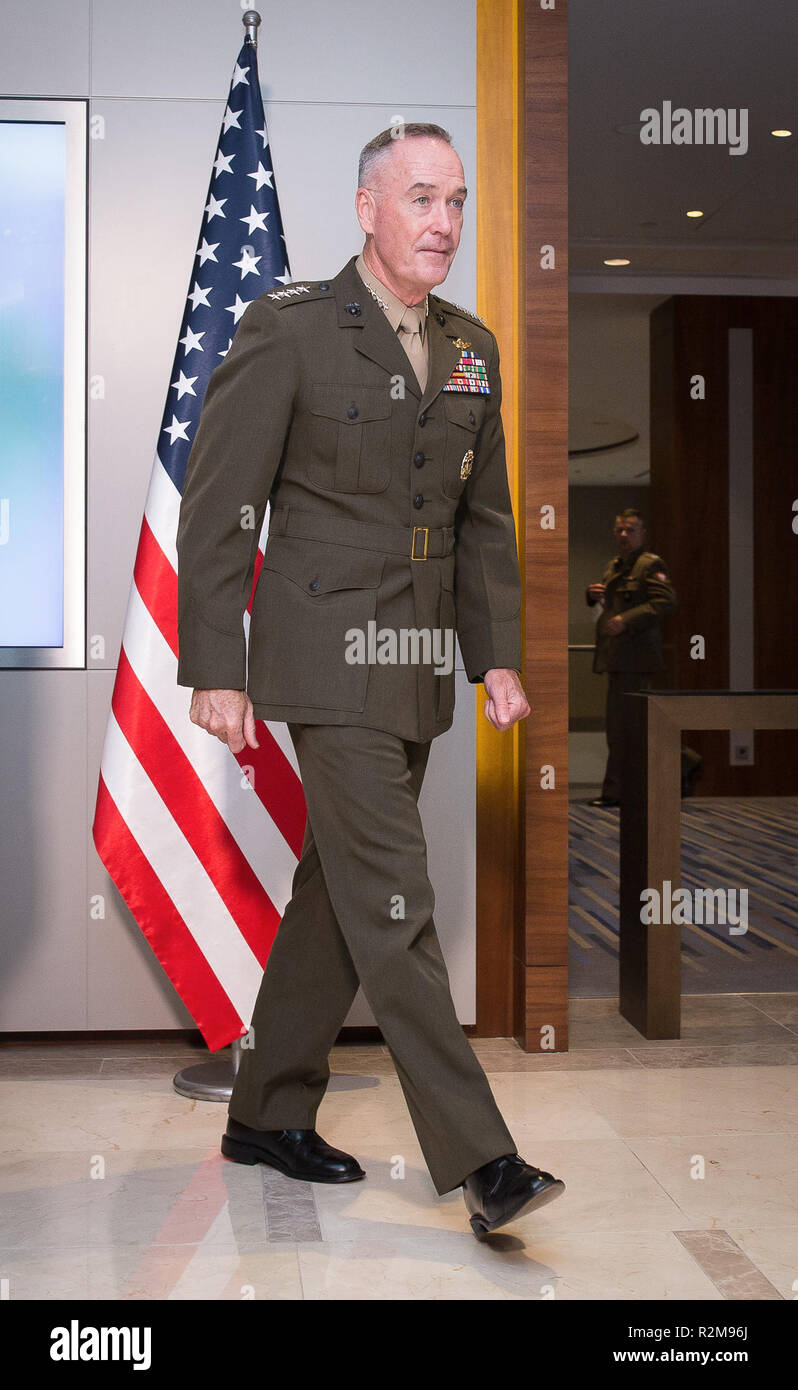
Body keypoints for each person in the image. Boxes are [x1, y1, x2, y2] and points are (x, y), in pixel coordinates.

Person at [176, 122, 564, 1237]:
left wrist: (493, 656)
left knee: (338, 895)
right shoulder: (290, 331)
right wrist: (218, 664)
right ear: (367, 208)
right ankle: (483, 1159)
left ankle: (267, 1110)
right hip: (322, 653)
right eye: (422, 200)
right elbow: (220, 505)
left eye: (457, 203)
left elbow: (482, 525)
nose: (444, 223)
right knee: (398, 895)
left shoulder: (473, 348)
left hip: (413, 666)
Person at [586, 508, 677, 807]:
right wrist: (592, 597)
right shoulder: (615, 566)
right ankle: (619, 791)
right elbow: (607, 607)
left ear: (642, 534)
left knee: (630, 728)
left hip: (637, 660)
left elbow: (665, 601)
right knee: (618, 728)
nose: (624, 535)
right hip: (617, 658)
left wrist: (628, 619)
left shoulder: (651, 565)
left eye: (630, 530)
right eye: (620, 530)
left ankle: (623, 791)